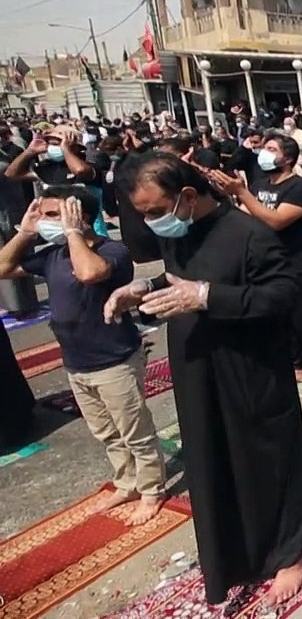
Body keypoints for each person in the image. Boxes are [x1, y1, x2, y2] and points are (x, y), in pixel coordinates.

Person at [106, 153, 302, 605]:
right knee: (213, 460)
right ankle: (233, 554)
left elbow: (283, 294)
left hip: (250, 373)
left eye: (156, 211)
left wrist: (207, 296)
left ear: (186, 196)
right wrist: (141, 289)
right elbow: (178, 276)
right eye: (143, 214)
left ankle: (288, 551)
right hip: (199, 370)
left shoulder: (248, 233)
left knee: (266, 460)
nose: (151, 221)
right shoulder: (182, 235)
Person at [0, 185, 166, 525]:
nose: (45, 222)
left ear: (81, 217)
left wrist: (74, 232)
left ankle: (152, 490)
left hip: (114, 360)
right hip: (77, 364)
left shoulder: (114, 250)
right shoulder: (52, 255)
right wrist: (26, 231)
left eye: (51, 215)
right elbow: (3, 267)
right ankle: (127, 482)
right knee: (106, 431)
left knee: (134, 429)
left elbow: (90, 273)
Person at [206, 133, 302, 401]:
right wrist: (228, 195)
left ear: (287, 158)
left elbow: (275, 220)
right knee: (280, 318)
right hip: (268, 263)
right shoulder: (261, 184)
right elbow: (247, 214)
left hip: (296, 262)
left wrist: (241, 192)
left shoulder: (299, 188)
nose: (264, 152)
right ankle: (298, 364)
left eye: (271, 149)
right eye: (264, 148)